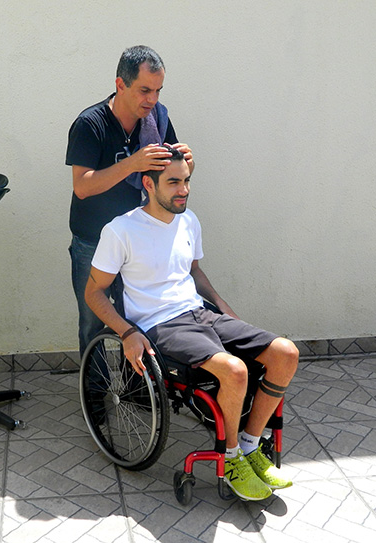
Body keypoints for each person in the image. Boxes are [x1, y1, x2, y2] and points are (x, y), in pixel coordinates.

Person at [84, 149, 299, 501]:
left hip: (200, 313)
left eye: (186, 181)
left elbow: (194, 272)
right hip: (160, 325)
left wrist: (225, 310)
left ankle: (248, 446)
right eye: (173, 182)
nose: (183, 190)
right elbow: (94, 292)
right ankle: (230, 460)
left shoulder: (189, 220)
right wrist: (127, 332)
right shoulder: (121, 230)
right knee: (236, 371)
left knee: (285, 353)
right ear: (148, 184)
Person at [66, 45, 193, 357]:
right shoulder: (90, 124)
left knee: (138, 319)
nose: (152, 100)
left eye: (158, 90)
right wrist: (132, 163)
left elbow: (169, 178)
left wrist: (188, 164)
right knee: (92, 323)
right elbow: (82, 187)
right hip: (92, 240)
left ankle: (138, 390)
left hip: (138, 239)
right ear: (120, 84)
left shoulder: (157, 119)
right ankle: (94, 397)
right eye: (144, 90)